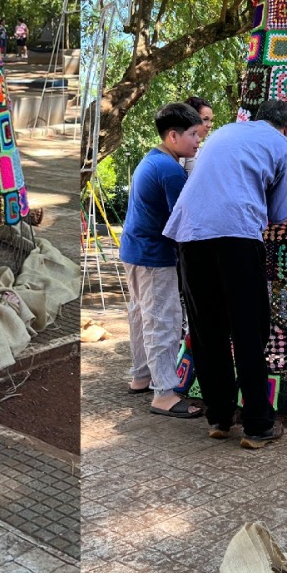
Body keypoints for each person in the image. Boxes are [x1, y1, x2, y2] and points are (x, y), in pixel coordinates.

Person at [163, 99, 287, 449]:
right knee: (249, 331)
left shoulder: (223, 132)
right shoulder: (284, 146)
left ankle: (220, 418)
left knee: (208, 331)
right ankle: (257, 425)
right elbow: (281, 211)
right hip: (237, 235)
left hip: (190, 235)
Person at [121, 102, 204, 417]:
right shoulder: (169, 169)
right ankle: (164, 394)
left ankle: (142, 376)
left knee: (141, 316)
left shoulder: (152, 160)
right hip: (154, 256)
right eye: (194, 134)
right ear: (173, 135)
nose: (198, 141)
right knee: (163, 322)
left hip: (135, 250)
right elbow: (185, 219)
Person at [181, 97, 215, 174]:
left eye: (211, 120)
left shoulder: (198, 150)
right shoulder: (180, 148)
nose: (210, 125)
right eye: (205, 119)